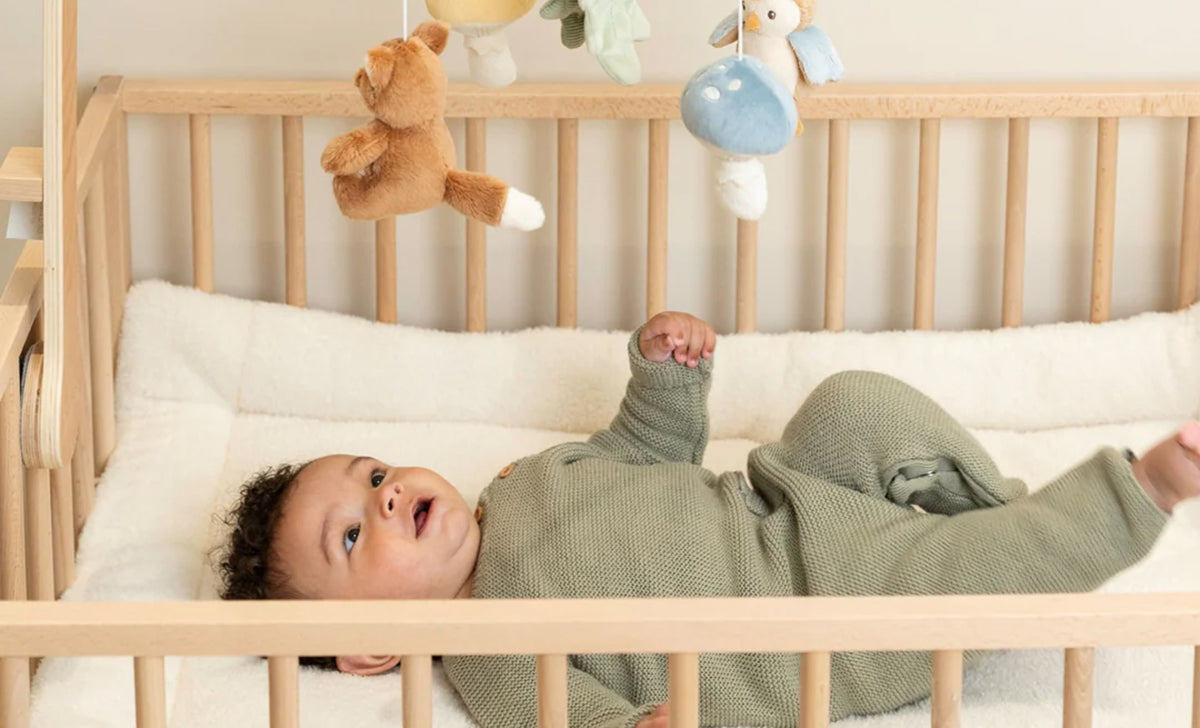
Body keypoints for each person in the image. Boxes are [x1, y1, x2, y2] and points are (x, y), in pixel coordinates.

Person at [217, 311, 1199, 726]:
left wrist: (664, 373)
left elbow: (648, 450)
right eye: (354, 535)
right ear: (371, 649)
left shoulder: (520, 481)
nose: (387, 495)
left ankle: (1000, 520)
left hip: (784, 497)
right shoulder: (488, 655)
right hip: (816, 617)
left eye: (374, 475)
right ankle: (1141, 492)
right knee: (944, 581)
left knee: (852, 404)